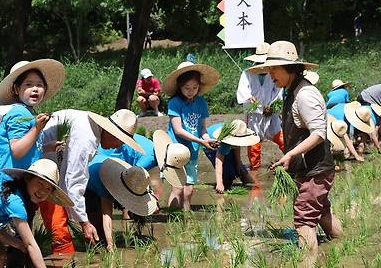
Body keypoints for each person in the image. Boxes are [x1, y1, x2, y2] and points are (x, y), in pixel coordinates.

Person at [248, 40, 342, 253]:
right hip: (309, 168)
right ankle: (342, 246)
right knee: (322, 212)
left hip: (315, 169)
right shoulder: (291, 90)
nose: (271, 74)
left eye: (274, 68)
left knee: (304, 217)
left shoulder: (305, 94)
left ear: (289, 67)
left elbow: (319, 134)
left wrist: (290, 153)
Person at [41, 109, 144, 250]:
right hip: (39, 172)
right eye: (121, 140)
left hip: (47, 172)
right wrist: (84, 223)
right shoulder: (87, 138)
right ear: (111, 132)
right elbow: (73, 180)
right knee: (60, 237)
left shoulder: (90, 129)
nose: (119, 146)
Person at [0, 59, 65, 181]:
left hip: (22, 181)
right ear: (16, 89)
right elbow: (17, 151)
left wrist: (47, 147)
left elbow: (28, 146)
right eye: (28, 84)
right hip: (9, 183)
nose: (35, 89)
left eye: (39, 85)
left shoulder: (28, 113)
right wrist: (36, 129)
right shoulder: (18, 113)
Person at [164, 61, 220, 210]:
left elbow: (202, 129)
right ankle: (173, 219)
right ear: (180, 87)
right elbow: (178, 130)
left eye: (195, 88)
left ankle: (187, 221)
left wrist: (208, 139)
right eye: (187, 88)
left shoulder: (201, 102)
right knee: (177, 189)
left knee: (188, 191)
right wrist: (201, 142)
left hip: (193, 150)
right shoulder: (174, 103)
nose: (191, 91)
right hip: (176, 151)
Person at [85, 157, 157, 250]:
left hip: (99, 167)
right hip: (87, 183)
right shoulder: (107, 186)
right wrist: (110, 243)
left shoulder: (130, 176)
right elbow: (106, 215)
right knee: (99, 236)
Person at [235, 43, 284, 170]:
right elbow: (243, 90)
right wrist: (249, 97)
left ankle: (291, 159)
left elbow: (278, 91)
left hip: (271, 111)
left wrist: (272, 106)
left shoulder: (273, 72)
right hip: (254, 112)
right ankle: (255, 167)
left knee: (279, 136)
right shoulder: (247, 73)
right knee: (254, 139)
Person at [203, 119, 257, 194]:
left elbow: (237, 146)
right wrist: (219, 183)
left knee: (241, 171)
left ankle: (241, 175)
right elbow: (219, 162)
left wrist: (239, 165)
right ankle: (225, 180)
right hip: (211, 144)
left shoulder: (238, 133)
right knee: (228, 177)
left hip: (225, 145)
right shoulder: (225, 142)